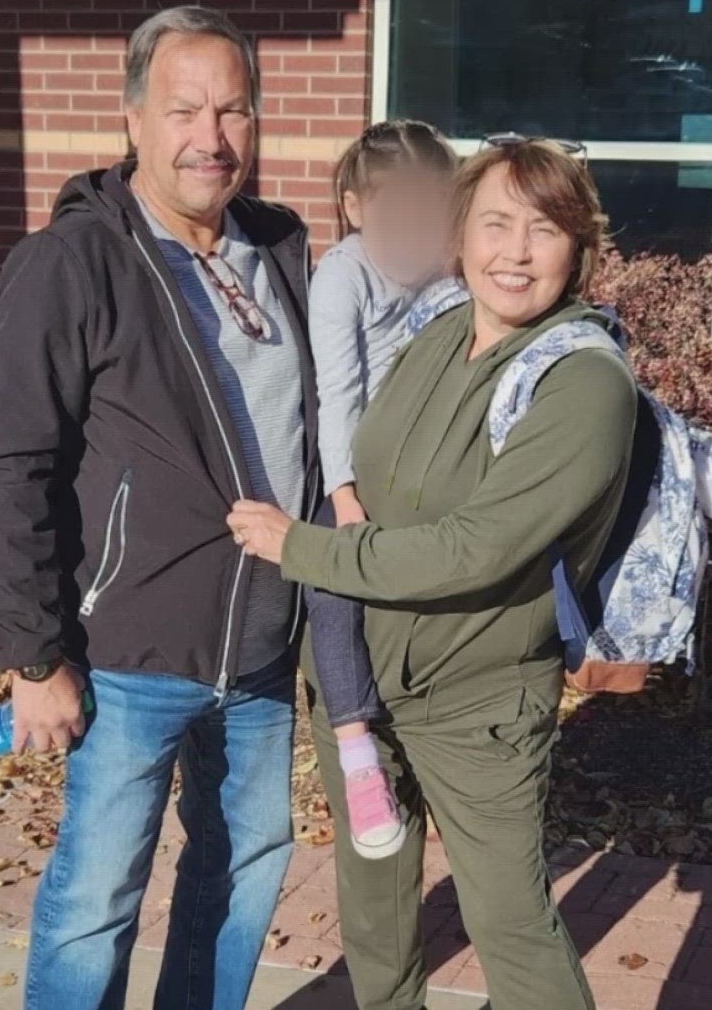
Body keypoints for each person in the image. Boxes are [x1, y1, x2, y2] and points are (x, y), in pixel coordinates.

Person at [0, 5, 317, 1010]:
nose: (211, 137)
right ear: (132, 119)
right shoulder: (74, 263)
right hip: (127, 655)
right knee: (98, 897)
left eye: (234, 110)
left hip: (257, 650)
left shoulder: (280, 247)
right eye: (185, 109)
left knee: (241, 873)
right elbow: (4, 464)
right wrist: (36, 655)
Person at [227, 138, 638, 1010]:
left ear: (579, 249)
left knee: (509, 921)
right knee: (375, 909)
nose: (516, 251)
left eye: (545, 229)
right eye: (495, 223)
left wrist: (302, 548)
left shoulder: (583, 383)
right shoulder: (440, 329)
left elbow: (475, 548)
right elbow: (366, 469)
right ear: (461, 234)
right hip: (360, 682)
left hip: (477, 700)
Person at [304, 119, 458, 859]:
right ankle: (356, 747)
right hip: (350, 469)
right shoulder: (343, 277)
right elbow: (337, 394)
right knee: (331, 593)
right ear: (356, 206)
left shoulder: (442, 276)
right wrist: (343, 496)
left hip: (419, 470)